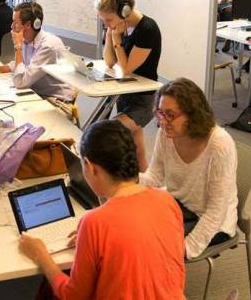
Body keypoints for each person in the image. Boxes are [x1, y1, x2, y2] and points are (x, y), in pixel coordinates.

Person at [18, 120, 185, 299]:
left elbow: (73, 296)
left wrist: (41, 255)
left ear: (89, 166)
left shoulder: (94, 222)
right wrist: (93, 242)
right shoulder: (167, 201)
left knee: (51, 286)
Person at [140, 78, 238, 259]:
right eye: (161, 113)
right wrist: (123, 180)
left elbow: (216, 211)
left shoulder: (219, 145)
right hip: (179, 204)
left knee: (150, 247)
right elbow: (154, 177)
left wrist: (185, 248)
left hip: (213, 221)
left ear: (193, 115)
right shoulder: (166, 133)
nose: (163, 122)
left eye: (170, 115)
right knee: (131, 226)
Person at [96, 0, 161, 170]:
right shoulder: (119, 26)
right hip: (125, 94)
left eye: (108, 20)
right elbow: (109, 61)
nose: (107, 24)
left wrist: (116, 38)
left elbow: (126, 69)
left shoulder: (147, 29)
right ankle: (145, 182)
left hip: (144, 100)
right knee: (137, 151)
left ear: (124, 11)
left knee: (105, 133)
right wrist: (110, 33)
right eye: (103, 20)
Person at [0, 1, 74, 102]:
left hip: (57, 100)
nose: (12, 26)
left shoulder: (48, 46)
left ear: (28, 25)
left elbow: (20, 83)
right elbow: (22, 64)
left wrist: (18, 47)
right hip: (39, 94)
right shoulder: (27, 39)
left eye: (15, 22)